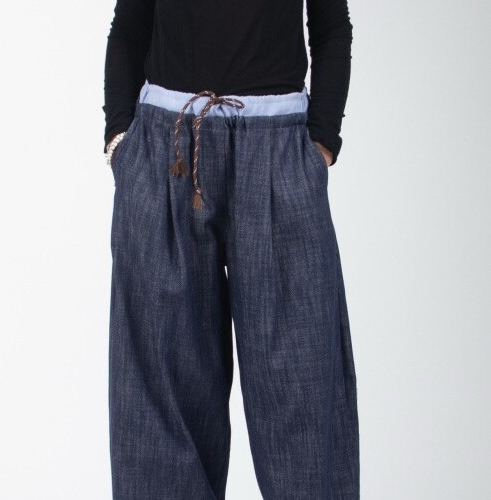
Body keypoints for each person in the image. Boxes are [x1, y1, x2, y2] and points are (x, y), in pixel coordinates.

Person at [102, 0, 359, 498]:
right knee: (161, 400)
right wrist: (119, 140)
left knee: (303, 387)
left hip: (279, 150)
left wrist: (322, 142)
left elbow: (332, 26)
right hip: (164, 147)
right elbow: (130, 24)